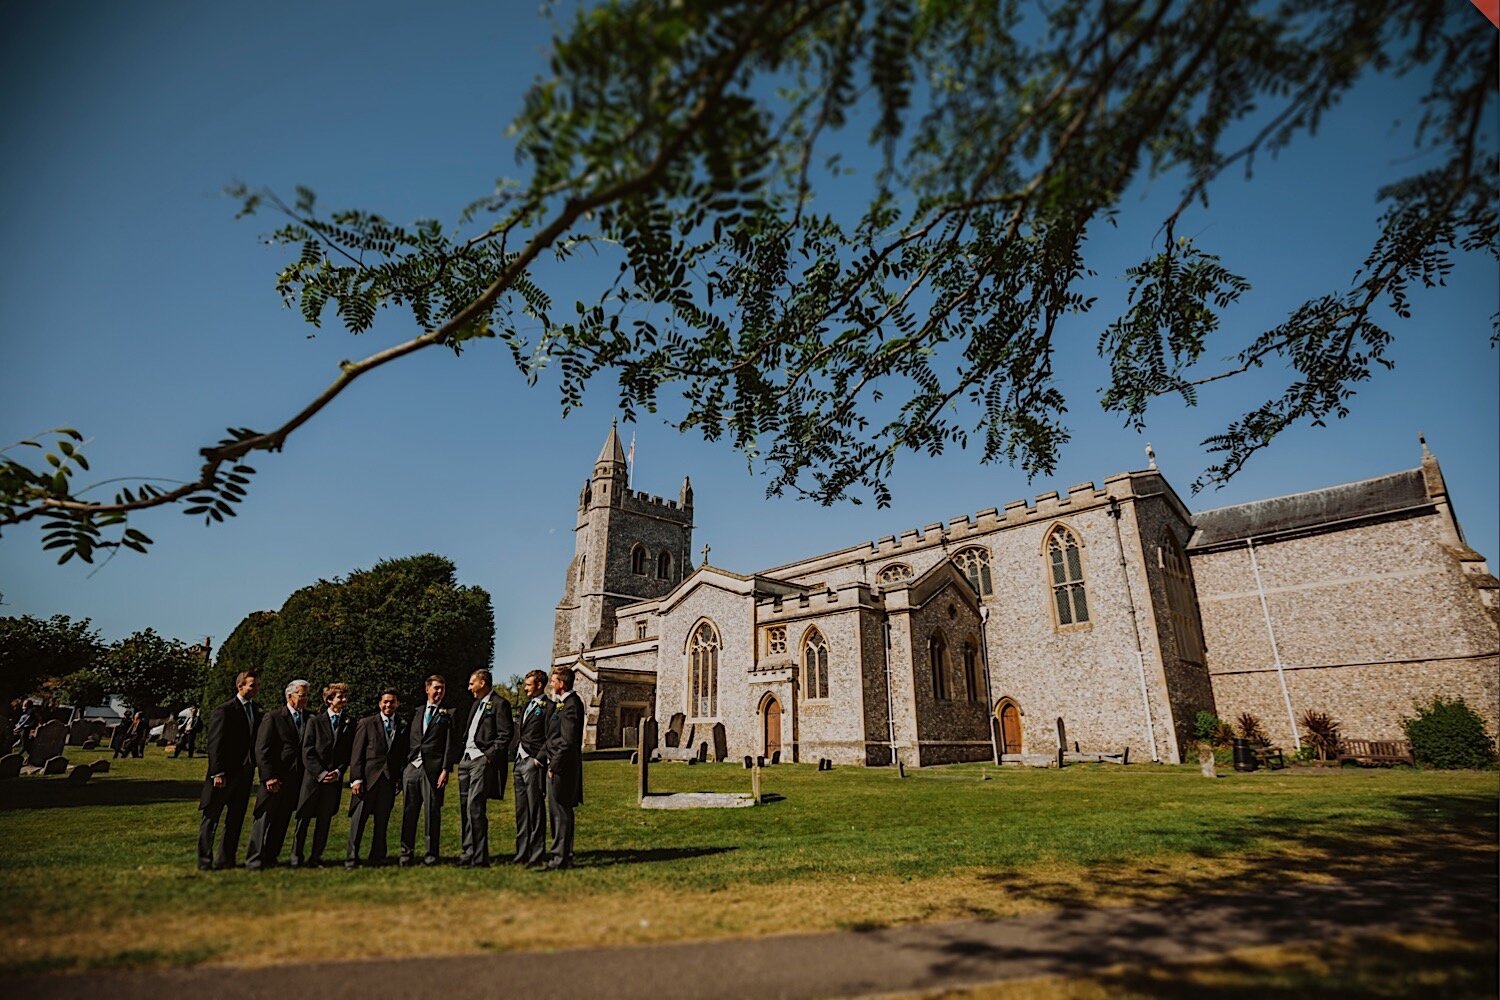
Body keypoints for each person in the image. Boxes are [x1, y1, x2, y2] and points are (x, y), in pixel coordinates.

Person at [197, 671, 261, 871]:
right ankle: (205, 860)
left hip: (244, 774)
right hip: (224, 774)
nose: (256, 689)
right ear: (240, 686)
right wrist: (217, 773)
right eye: (252, 685)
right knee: (211, 819)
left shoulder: (256, 711)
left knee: (235, 818)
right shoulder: (224, 710)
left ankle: (226, 858)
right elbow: (215, 744)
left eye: (258, 685)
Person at [245, 680, 310, 870]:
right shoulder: (273, 718)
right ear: (289, 696)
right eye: (301, 695)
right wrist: (268, 776)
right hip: (274, 778)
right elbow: (261, 749)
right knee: (263, 818)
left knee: (282, 820)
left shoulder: (310, 718)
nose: (305, 699)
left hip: (296, 779)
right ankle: (254, 859)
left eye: (307, 695)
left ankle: (271, 856)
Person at [456, 668, 514, 868]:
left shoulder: (500, 704)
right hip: (465, 761)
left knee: (475, 806)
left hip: (481, 761)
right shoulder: (475, 705)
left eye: (472, 683)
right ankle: (468, 851)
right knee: (465, 808)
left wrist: (488, 757)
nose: (469, 687)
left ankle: (480, 857)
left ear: (482, 683)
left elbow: (505, 735)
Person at [293, 682, 354, 868]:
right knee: (303, 820)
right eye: (340, 697)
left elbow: (347, 752)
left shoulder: (349, 722)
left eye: (345, 697)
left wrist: (338, 771)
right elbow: (307, 750)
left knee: (324, 820)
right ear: (329, 700)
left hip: (333, 780)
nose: (343, 700)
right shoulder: (315, 721)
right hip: (313, 780)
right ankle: (297, 857)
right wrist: (320, 773)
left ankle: (316, 857)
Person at [346, 688, 407, 869]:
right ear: (380, 703)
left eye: (392, 701)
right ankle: (351, 859)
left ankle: (378, 857)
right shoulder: (366, 723)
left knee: (382, 822)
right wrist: (356, 779)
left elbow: (400, 755)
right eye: (385, 701)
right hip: (367, 780)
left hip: (388, 781)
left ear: (397, 703)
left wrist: (398, 779)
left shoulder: (402, 725)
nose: (389, 705)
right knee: (358, 822)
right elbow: (356, 753)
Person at [400, 674, 457, 867]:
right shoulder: (415, 712)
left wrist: (445, 769)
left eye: (442, 688)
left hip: (433, 770)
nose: (439, 691)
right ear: (427, 689)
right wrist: (405, 766)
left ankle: (431, 855)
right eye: (436, 688)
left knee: (432, 813)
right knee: (409, 811)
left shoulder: (448, 714)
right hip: (412, 768)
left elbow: (451, 744)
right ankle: (406, 854)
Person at [544, 665, 585, 870]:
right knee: (557, 811)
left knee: (560, 811)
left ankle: (560, 857)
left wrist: (554, 765)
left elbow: (567, 741)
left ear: (562, 683)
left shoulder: (571, 705)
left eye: (553, 681)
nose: (550, 684)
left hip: (563, 767)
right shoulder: (562, 703)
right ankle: (561, 854)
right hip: (557, 763)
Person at [511, 670, 550, 867]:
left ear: (540, 685)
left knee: (535, 810)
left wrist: (539, 759)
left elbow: (551, 736)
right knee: (521, 811)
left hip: (533, 763)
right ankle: (521, 852)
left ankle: (537, 853)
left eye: (528, 684)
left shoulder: (549, 707)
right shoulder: (527, 705)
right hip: (519, 762)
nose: (525, 688)